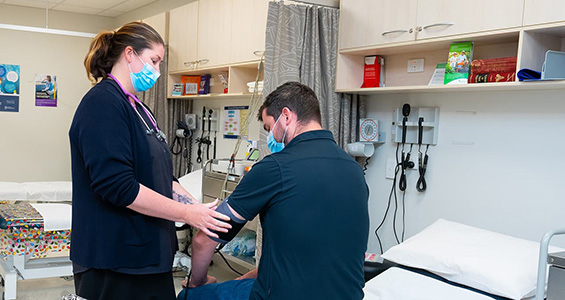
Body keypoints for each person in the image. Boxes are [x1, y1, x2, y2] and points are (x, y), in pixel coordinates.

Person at [69, 21, 231, 300]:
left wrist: (199, 211)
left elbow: (161, 178)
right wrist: (186, 214)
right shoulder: (103, 104)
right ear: (129, 54)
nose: (156, 71)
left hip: (147, 257)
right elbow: (119, 187)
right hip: (114, 260)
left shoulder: (140, 108)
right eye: (154, 61)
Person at [179, 81, 370, 300]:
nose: (272, 138)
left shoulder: (275, 167)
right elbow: (317, 244)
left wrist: (198, 282)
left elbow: (204, 240)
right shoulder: (354, 170)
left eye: (269, 128)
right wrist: (258, 274)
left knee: (189, 296)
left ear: (286, 116)